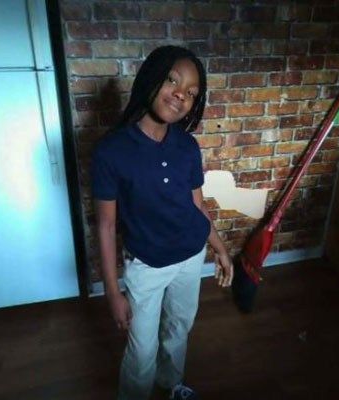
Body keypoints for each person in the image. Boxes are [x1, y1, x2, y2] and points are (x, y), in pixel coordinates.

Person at [92, 46, 234, 400]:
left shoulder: (187, 146)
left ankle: (171, 384)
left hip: (190, 256)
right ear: (151, 78)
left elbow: (197, 206)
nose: (181, 94)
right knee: (142, 349)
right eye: (172, 80)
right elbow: (106, 226)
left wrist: (219, 248)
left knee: (179, 328)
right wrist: (112, 291)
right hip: (147, 265)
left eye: (192, 92)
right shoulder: (111, 151)